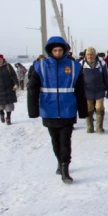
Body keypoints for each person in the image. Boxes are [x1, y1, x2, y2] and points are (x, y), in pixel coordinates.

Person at [27, 36, 88, 184]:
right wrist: (33, 110)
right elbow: (32, 89)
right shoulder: (40, 66)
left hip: (68, 109)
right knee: (55, 141)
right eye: (55, 50)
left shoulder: (74, 67)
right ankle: (59, 162)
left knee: (65, 141)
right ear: (50, 50)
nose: (58, 52)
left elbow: (80, 90)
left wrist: (83, 110)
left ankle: (65, 169)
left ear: (65, 50)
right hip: (49, 110)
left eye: (60, 50)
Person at [81, 47, 108, 133]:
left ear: (95, 55)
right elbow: (78, 79)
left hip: (99, 90)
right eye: (88, 55)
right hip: (87, 90)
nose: (90, 56)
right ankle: (90, 127)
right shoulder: (81, 64)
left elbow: (106, 76)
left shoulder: (102, 63)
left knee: (99, 108)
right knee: (89, 109)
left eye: (92, 55)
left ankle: (99, 127)